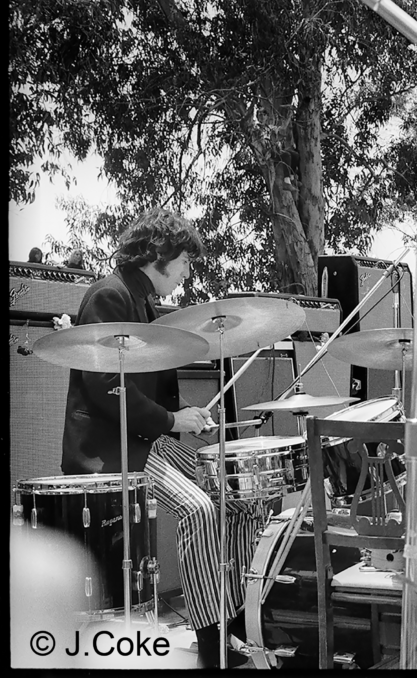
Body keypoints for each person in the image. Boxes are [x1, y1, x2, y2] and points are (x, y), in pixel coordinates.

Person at [59, 207, 263, 668]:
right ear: (160, 254)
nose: (188, 273)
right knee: (198, 508)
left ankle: (233, 620)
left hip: (143, 440)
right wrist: (173, 422)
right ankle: (210, 640)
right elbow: (107, 388)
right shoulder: (108, 296)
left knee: (242, 496)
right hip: (109, 451)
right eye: (186, 262)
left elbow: (152, 388)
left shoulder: (144, 301)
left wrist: (187, 418)